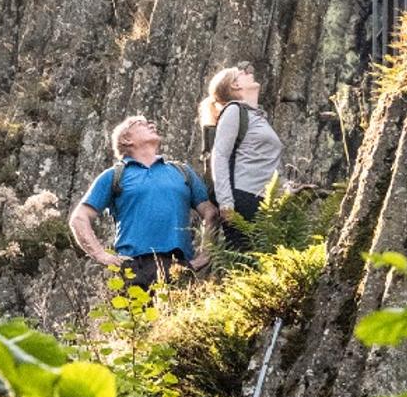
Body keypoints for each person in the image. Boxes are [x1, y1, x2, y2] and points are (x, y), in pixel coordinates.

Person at [69, 113, 218, 289]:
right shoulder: (114, 175)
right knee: (141, 317)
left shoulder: (181, 171)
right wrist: (101, 255)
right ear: (126, 139)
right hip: (135, 268)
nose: (152, 125)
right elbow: (79, 218)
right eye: (141, 123)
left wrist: (206, 254)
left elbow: (211, 212)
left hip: (180, 265)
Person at [199, 61, 284, 237]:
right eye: (242, 72)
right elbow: (220, 155)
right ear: (235, 85)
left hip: (263, 199)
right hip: (244, 198)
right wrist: (226, 202)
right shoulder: (233, 110)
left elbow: (265, 162)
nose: (249, 71)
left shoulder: (256, 116)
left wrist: (285, 189)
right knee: (244, 258)